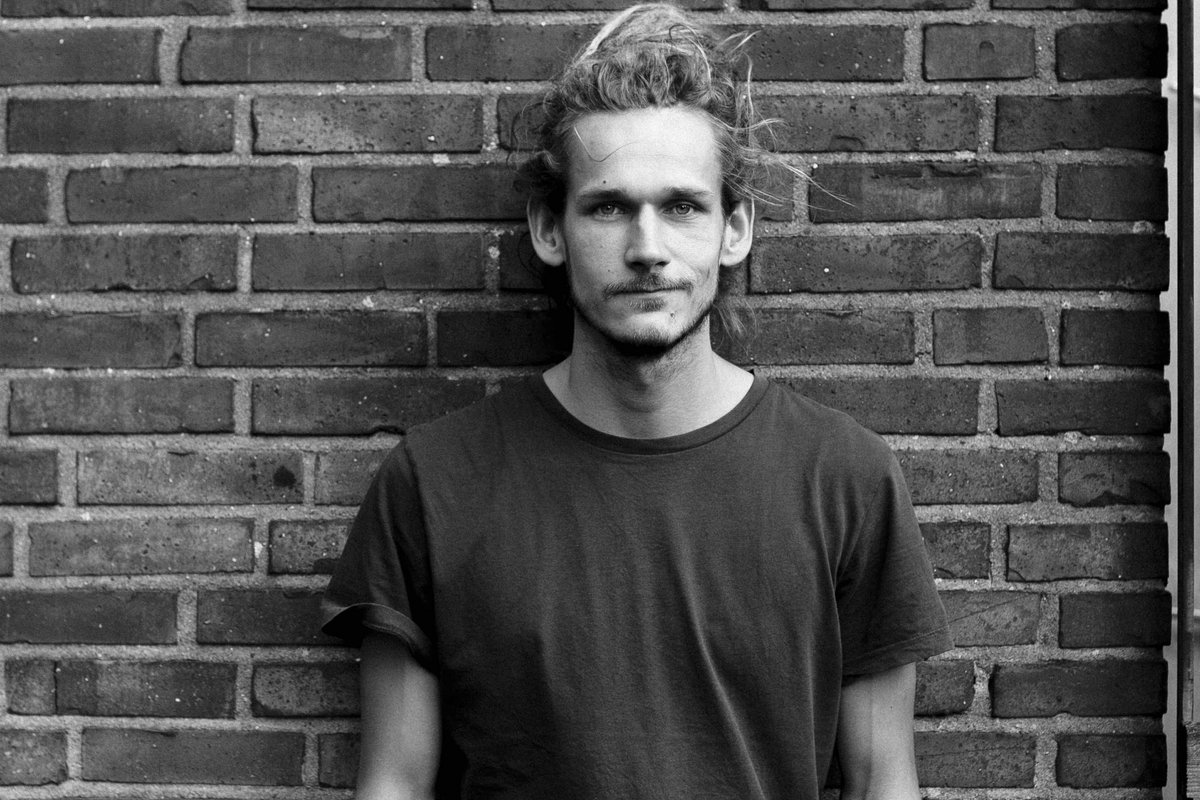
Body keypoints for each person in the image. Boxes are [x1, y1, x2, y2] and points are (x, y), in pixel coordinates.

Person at [321, 5, 951, 799]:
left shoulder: (844, 480)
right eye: (609, 207)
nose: (647, 248)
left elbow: (883, 782)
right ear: (550, 229)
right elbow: (394, 785)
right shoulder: (434, 484)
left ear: (735, 229)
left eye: (682, 206)